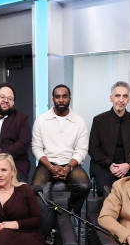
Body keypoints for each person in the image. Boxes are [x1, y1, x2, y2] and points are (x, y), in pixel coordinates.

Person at [31, 84, 90, 214]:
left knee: (84, 185)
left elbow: (81, 150)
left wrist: (68, 167)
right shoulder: (41, 120)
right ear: (53, 99)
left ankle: (69, 211)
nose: (61, 100)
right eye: (57, 97)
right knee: (36, 187)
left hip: (71, 163)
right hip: (47, 163)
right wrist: (51, 167)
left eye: (64, 96)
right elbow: (36, 148)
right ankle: (49, 216)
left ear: (70, 98)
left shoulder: (79, 121)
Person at [89, 81, 130, 196]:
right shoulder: (99, 120)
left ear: (128, 99)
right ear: (111, 98)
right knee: (107, 192)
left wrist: (128, 164)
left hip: (128, 166)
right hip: (104, 166)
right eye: (117, 96)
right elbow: (93, 149)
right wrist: (109, 164)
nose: (121, 100)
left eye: (125, 96)